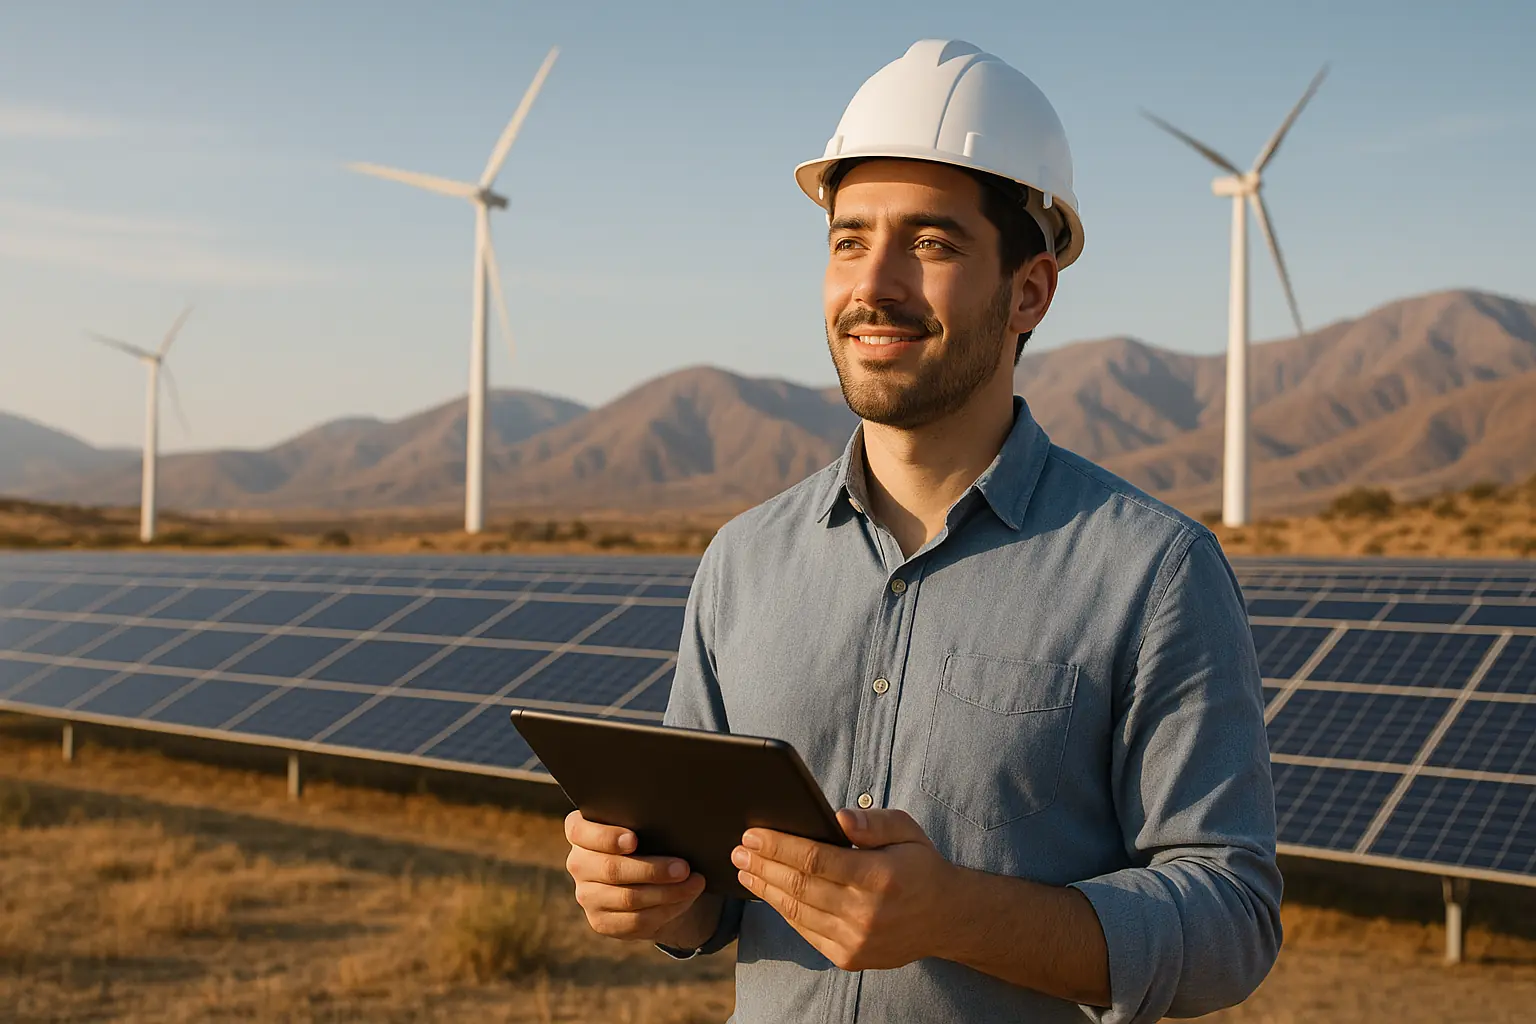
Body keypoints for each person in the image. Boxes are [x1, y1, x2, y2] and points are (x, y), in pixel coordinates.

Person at [562, 39, 1281, 1023]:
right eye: (849, 239)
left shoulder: (1152, 570)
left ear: (1030, 291)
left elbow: (1231, 916)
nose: (876, 284)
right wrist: (654, 897)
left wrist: (956, 914)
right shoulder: (744, 560)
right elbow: (711, 904)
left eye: (931, 243)